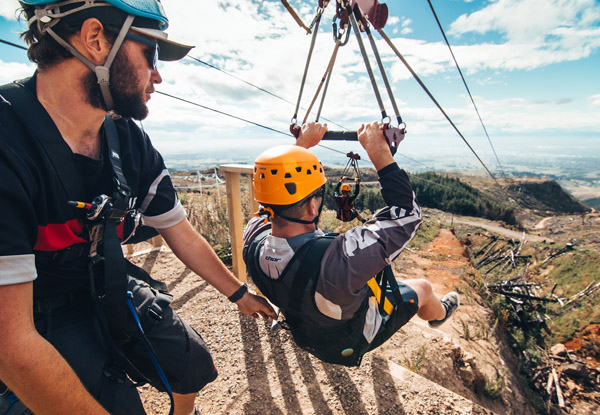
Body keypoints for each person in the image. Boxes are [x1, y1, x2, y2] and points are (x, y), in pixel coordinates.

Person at [0, 1, 276, 415]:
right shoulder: (8, 142)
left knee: (191, 363)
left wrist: (239, 294)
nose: (158, 75)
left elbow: (179, 231)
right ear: (96, 40)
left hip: (102, 282)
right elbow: (11, 342)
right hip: (35, 309)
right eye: (151, 53)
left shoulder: (128, 141)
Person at [242, 121, 459, 367]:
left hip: (305, 331)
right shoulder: (339, 260)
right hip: (351, 337)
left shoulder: (252, 240)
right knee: (422, 287)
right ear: (313, 205)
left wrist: (300, 146)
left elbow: (265, 209)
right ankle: (439, 314)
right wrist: (379, 152)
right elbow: (407, 215)